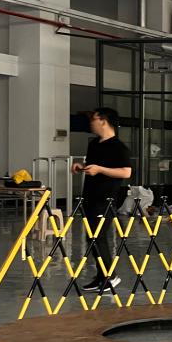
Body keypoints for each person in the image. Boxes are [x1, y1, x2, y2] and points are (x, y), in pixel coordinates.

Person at [71, 107, 131, 293]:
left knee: (99, 237)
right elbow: (93, 166)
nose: (91, 122)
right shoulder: (94, 144)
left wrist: (100, 170)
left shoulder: (118, 147)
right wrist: (82, 167)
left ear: (103, 121)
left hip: (106, 198)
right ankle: (101, 276)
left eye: (94, 119)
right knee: (92, 238)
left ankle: (110, 277)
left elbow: (126, 172)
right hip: (90, 195)